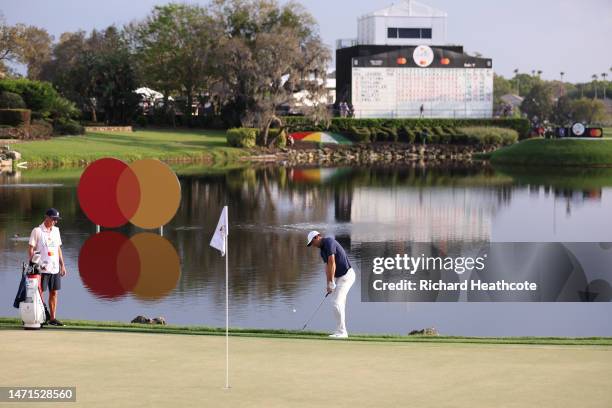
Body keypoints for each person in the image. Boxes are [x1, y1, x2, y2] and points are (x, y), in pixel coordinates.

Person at [306, 231, 356, 338]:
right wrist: (328, 284)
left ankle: (342, 332)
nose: (313, 245)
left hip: (347, 276)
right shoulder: (322, 251)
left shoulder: (329, 242)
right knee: (338, 303)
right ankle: (340, 331)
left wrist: (332, 281)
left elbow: (332, 262)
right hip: (339, 277)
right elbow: (327, 267)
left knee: (336, 302)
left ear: (317, 237)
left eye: (312, 242)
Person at [28, 208, 67, 326]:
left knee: (54, 292)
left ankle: (52, 318)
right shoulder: (37, 231)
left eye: (57, 220)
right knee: (40, 293)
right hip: (42, 268)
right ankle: (40, 316)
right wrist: (34, 264)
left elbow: (58, 248)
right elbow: (30, 249)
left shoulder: (56, 231)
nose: (55, 221)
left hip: (54, 268)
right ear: (47, 217)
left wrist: (62, 265)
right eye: (54, 219)